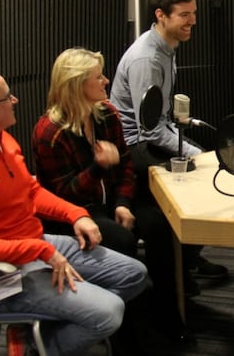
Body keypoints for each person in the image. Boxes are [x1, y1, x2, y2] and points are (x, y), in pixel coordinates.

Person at [0, 67, 148, 356]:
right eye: (7, 97)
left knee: (134, 273)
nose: (14, 100)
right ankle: (35, 349)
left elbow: (31, 191)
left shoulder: (2, 140)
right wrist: (38, 251)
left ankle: (41, 331)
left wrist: (76, 214)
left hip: (36, 246)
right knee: (109, 312)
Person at [31, 48, 191, 348]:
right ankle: (128, 337)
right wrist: (97, 166)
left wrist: (123, 203)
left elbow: (127, 165)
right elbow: (62, 193)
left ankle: (167, 317)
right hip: (74, 214)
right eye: (98, 77)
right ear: (78, 85)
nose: (106, 80)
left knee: (159, 225)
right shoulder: (50, 132)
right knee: (122, 240)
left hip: (111, 201)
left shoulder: (107, 113)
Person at [110, 0, 227, 295]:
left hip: (152, 136)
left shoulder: (166, 47)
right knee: (201, 179)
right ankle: (180, 268)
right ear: (161, 15)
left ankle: (187, 258)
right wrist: (195, 152)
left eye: (194, 13)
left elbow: (160, 119)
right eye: (184, 15)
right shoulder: (146, 60)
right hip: (135, 148)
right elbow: (148, 129)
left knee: (204, 171)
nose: (193, 22)